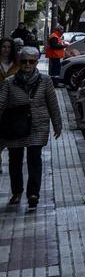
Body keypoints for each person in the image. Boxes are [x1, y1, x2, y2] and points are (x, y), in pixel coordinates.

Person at [0, 47, 62, 207]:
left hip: (38, 125)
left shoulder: (45, 80)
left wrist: (57, 124)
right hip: (15, 126)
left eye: (31, 61)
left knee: (34, 158)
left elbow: (52, 104)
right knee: (15, 160)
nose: (27, 64)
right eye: (24, 61)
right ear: (19, 62)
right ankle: (17, 192)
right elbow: (1, 103)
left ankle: (33, 193)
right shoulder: (9, 82)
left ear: (36, 62)